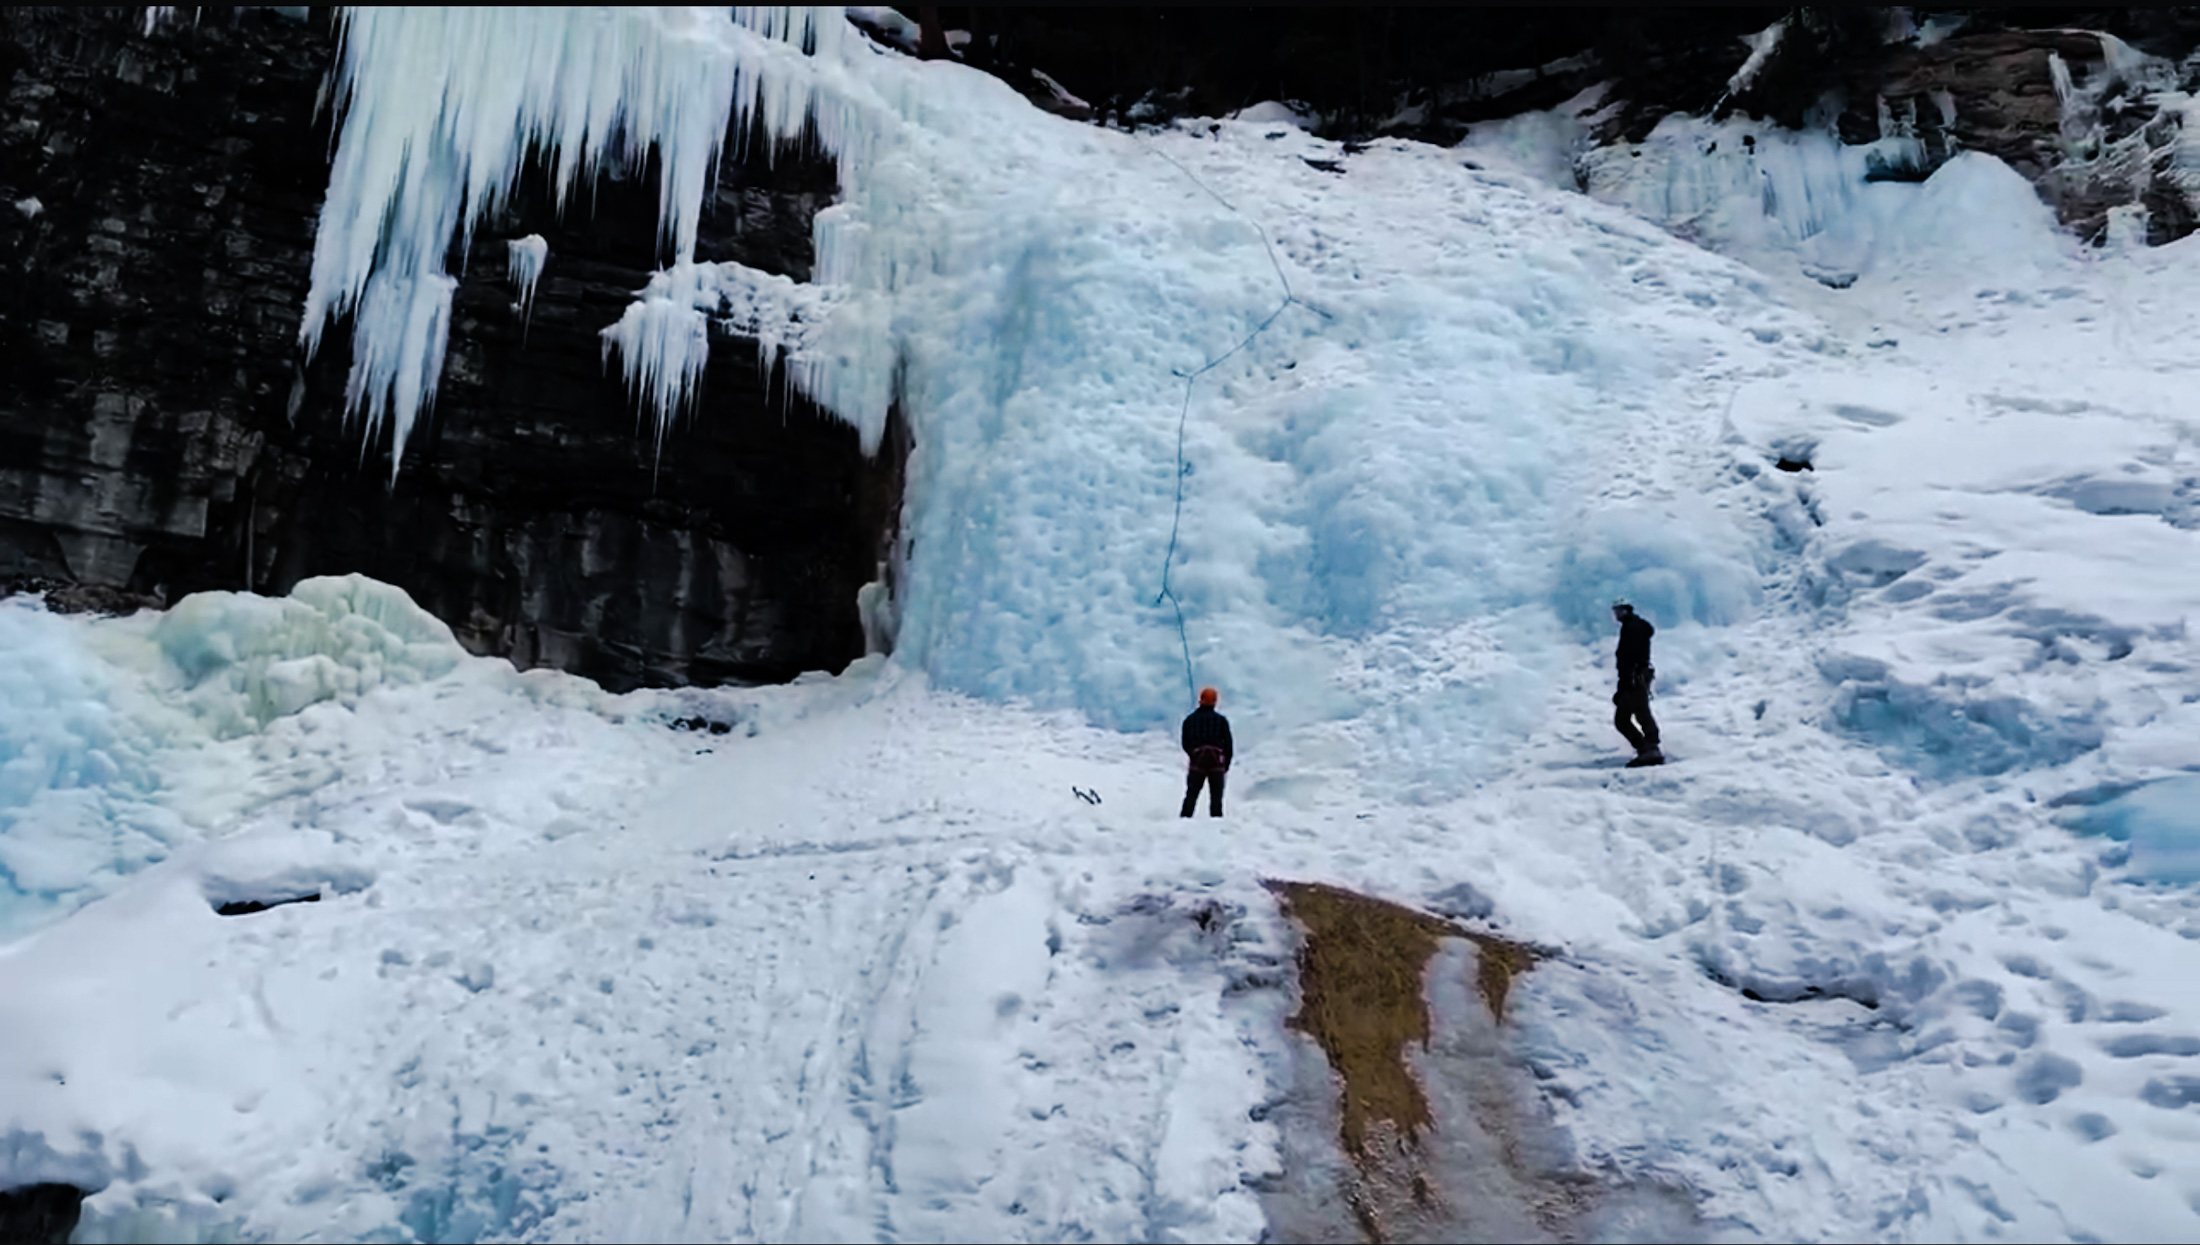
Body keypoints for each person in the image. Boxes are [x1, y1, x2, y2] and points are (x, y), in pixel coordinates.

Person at [1611, 600, 1663, 767]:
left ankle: (1649, 749)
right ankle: (1647, 748)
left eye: (1618, 610)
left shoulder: (1632, 628)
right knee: (1638, 712)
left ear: (1626, 611)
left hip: (1635, 678)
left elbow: (1628, 658)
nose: (1616, 614)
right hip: (1638, 676)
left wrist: (1626, 682)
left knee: (1627, 717)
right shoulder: (1634, 626)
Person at [1180, 686, 1234, 817]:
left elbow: (1185, 742)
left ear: (1200, 700)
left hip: (1197, 761)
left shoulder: (1190, 720)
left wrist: (1193, 755)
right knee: (1216, 800)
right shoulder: (1221, 721)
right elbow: (1228, 744)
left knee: (1191, 796)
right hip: (1216, 763)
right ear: (1215, 701)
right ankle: (1217, 826)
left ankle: (1184, 822)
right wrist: (1226, 764)